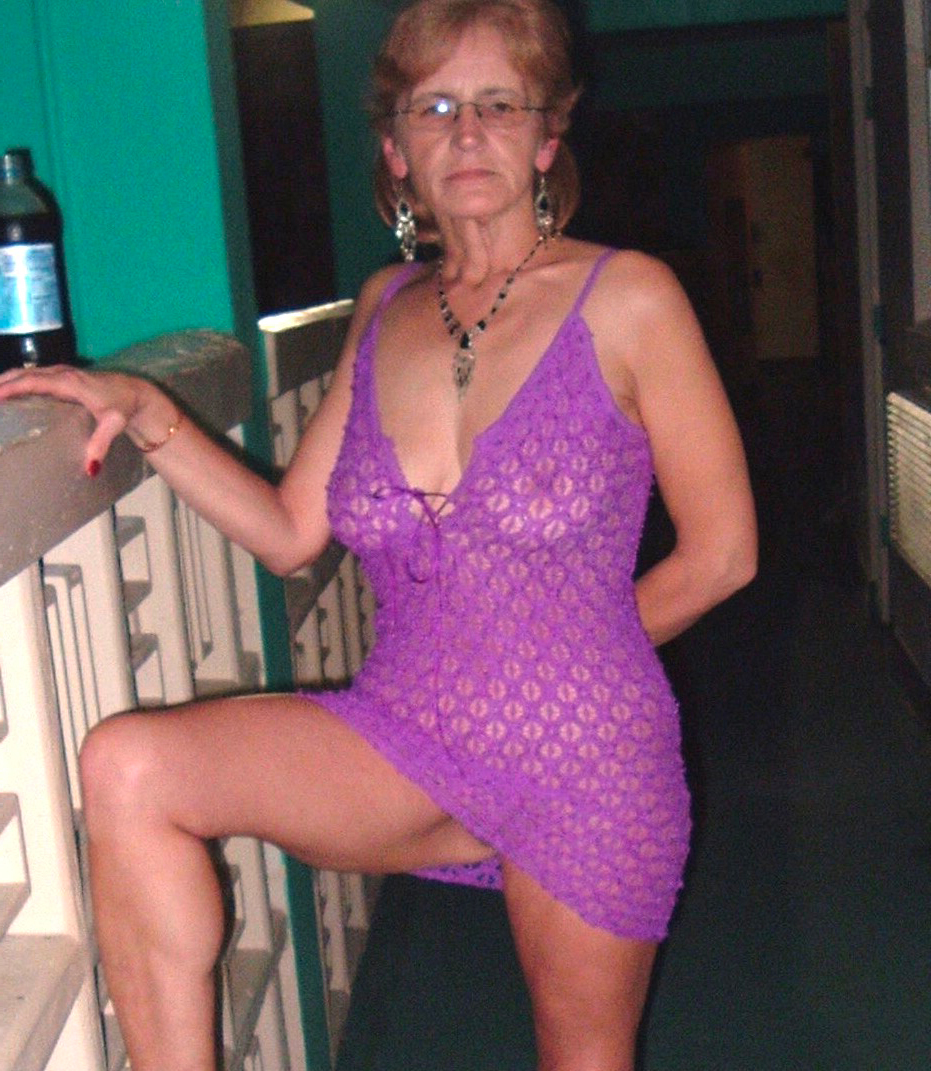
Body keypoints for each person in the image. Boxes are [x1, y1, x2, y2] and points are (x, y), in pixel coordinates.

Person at [0, 1, 757, 1068]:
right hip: (405, 737)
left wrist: (558, 667)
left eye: (499, 105)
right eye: (434, 108)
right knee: (129, 767)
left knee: (581, 1054)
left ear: (547, 138)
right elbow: (288, 534)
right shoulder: (384, 304)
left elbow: (723, 554)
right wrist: (149, 412)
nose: (467, 131)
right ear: (396, 151)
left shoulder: (629, 297)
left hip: (587, 757)